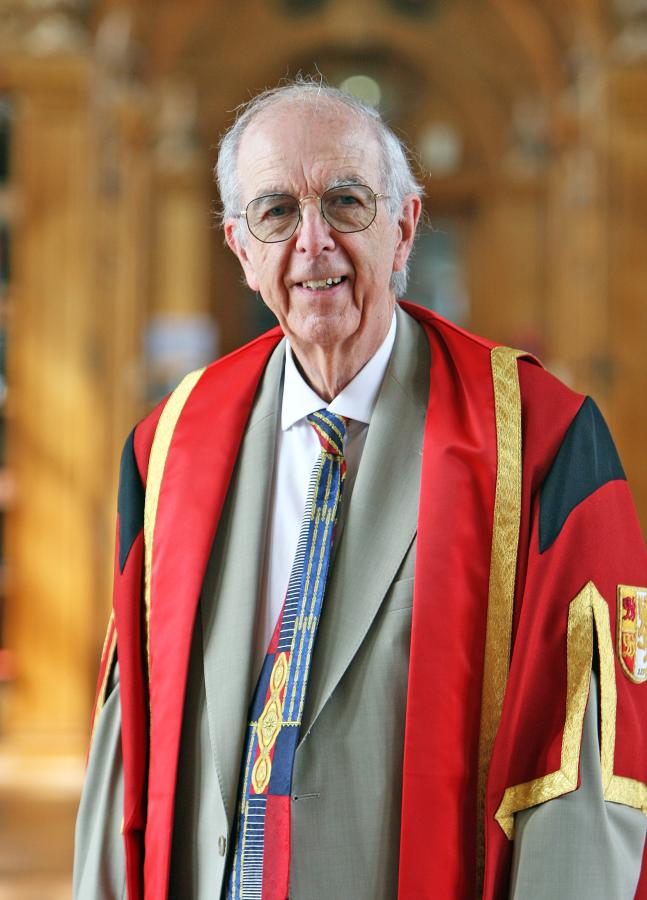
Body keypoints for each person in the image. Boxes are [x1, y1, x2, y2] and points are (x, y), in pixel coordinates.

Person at [74, 80, 647, 900]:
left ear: (404, 226)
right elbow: (128, 749)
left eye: (345, 203)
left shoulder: (542, 443)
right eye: (276, 213)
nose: (313, 244)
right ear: (240, 248)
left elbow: (582, 770)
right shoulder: (168, 446)